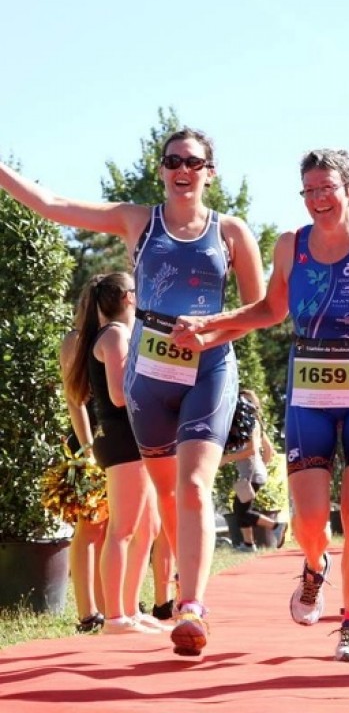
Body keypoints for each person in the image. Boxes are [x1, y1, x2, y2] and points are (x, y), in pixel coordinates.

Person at [0, 128, 265, 655]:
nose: (182, 169)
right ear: (162, 169)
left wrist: (211, 328)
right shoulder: (137, 221)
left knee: (192, 487)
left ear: (210, 171)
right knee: (166, 495)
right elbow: (53, 204)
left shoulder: (231, 232)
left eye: (193, 161)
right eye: (173, 161)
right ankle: (167, 596)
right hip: (152, 376)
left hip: (209, 369)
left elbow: (259, 311)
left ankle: (191, 608)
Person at [171, 148, 349, 663]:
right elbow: (270, 309)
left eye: (326, 189)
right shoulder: (291, 245)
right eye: (308, 191)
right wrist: (212, 327)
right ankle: (314, 566)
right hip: (308, 382)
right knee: (311, 522)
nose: (317, 200)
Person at [66, 272, 169, 634]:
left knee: (149, 527)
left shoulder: (120, 334)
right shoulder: (115, 334)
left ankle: (129, 609)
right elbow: (119, 395)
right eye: (137, 291)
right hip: (124, 438)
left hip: (135, 437)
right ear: (127, 297)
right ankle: (114, 617)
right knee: (123, 529)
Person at [59, 307, 107, 634]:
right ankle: (87, 612)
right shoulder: (75, 340)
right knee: (90, 525)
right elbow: (75, 400)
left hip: (116, 436)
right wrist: (88, 448)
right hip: (89, 441)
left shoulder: (115, 336)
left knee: (111, 527)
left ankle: (109, 607)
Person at [221, 389, 285, 553]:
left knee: (241, 511)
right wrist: (261, 466)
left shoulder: (252, 425)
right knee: (240, 509)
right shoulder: (252, 424)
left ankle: (276, 526)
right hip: (253, 473)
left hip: (252, 474)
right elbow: (269, 449)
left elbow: (252, 450)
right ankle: (249, 544)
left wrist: (227, 459)